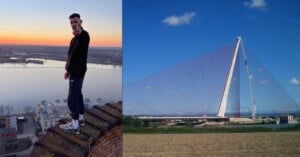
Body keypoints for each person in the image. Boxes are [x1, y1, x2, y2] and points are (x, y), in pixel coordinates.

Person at [60, 13, 90, 134]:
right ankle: (81, 119)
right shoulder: (73, 40)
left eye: (76, 21)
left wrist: (78, 30)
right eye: (71, 22)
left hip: (78, 72)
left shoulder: (84, 35)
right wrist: (68, 70)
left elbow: (80, 34)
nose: (73, 24)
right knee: (78, 95)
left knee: (72, 99)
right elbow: (71, 56)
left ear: (81, 22)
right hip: (74, 71)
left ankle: (74, 126)